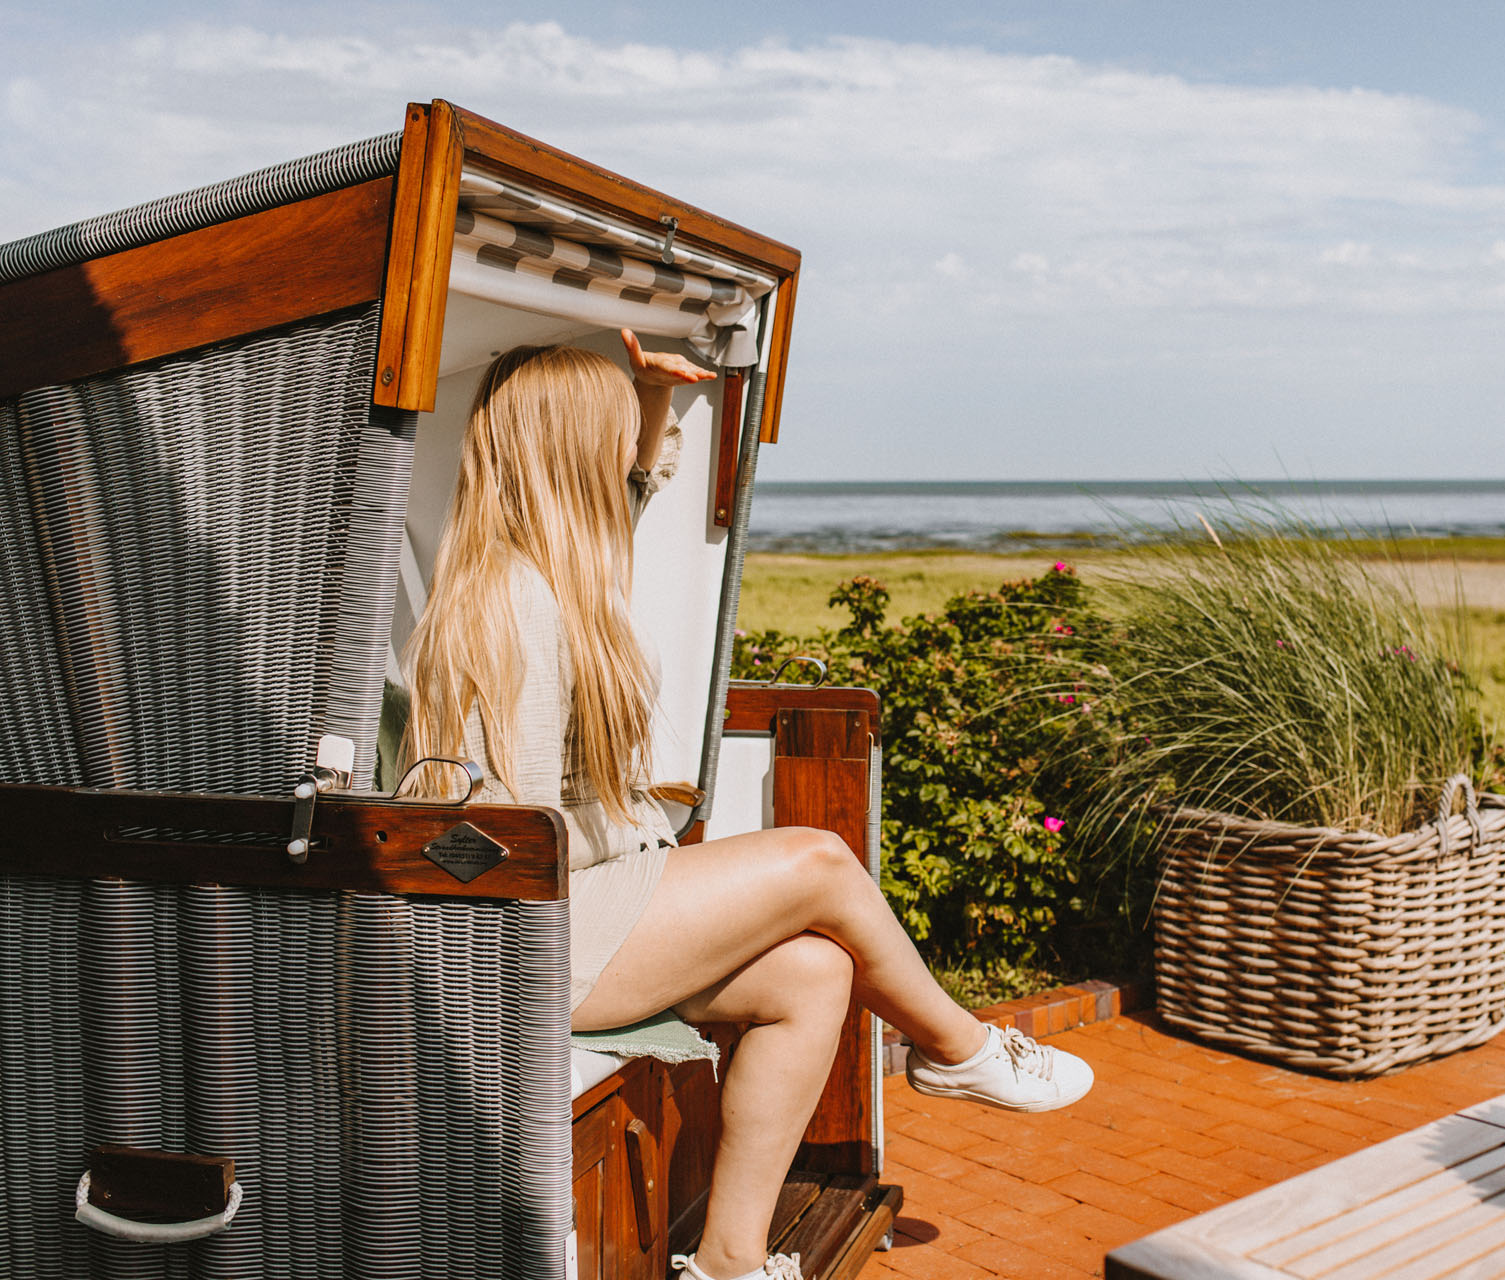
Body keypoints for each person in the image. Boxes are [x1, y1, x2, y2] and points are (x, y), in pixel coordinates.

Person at [400, 333, 1094, 1280]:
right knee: (816, 862)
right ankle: (958, 1048)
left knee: (813, 976)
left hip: (578, 915)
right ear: (568, 449)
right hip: (531, 946)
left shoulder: (555, 568)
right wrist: (642, 823)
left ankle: (729, 1259)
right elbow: (514, 838)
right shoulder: (513, 601)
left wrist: (648, 393)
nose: (626, 462)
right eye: (609, 436)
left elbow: (636, 489)